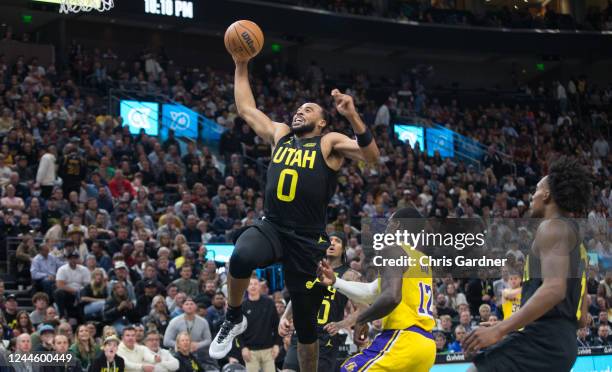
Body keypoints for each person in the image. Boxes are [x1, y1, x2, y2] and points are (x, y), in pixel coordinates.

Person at [210, 48, 379, 372]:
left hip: (306, 239)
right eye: (298, 109)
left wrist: (354, 116)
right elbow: (246, 108)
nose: (299, 112)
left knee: (305, 328)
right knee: (241, 256)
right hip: (272, 226)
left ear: (322, 121)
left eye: (308, 110)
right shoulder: (281, 135)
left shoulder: (329, 142)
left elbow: (370, 157)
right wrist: (241, 63)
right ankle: (234, 317)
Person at [463, 156, 592, 372]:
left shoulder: (552, 228)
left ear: (548, 194)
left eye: (537, 189)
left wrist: (500, 330)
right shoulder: (577, 242)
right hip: (562, 344)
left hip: (542, 341)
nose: (533, 195)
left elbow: (554, 289)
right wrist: (511, 326)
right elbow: (581, 317)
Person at [317, 208, 436, 372]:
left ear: (396, 225)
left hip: (404, 339)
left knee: (348, 369)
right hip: (426, 346)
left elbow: (392, 297)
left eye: (389, 222)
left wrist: (362, 319)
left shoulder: (393, 250)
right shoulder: (421, 260)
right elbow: (371, 292)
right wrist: (336, 281)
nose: (386, 227)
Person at [281, 232, 361, 372]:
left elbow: (363, 308)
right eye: (330, 240)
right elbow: (298, 297)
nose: (332, 243)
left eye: (337, 241)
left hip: (326, 336)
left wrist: (342, 324)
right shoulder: (311, 268)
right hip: (303, 330)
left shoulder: (350, 275)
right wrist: (285, 317)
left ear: (344, 248)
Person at [237, 277, 279, 372]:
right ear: (246, 287)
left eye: (255, 284)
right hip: (250, 351)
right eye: (250, 284)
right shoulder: (242, 306)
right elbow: (238, 329)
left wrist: (276, 344)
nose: (253, 286)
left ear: (260, 286)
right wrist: (243, 348)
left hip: (269, 350)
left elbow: (276, 325)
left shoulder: (269, 303)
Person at [163, 297, 211, 365]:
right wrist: (182, 345)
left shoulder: (203, 322)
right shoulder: (174, 322)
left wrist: (198, 345)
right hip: (177, 354)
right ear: (182, 307)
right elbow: (166, 341)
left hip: (197, 353)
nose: (189, 306)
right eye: (187, 304)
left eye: (191, 304)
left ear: (196, 307)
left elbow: (208, 340)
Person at [54, 251, 91, 320]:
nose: (73, 260)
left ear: (78, 259)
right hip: (68, 293)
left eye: (75, 258)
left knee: (85, 293)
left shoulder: (84, 269)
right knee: (58, 292)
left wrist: (79, 292)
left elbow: (87, 285)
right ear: (67, 259)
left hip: (81, 293)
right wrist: (74, 291)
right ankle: (62, 315)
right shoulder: (62, 269)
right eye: (71, 258)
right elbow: (59, 285)